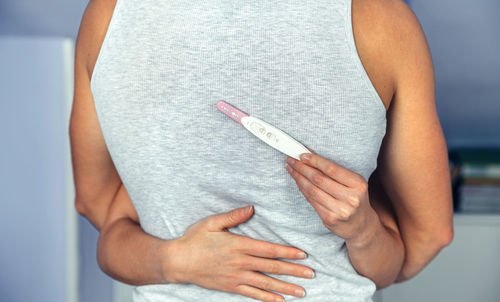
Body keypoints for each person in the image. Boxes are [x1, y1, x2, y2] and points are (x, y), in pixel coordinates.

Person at [69, 0, 454, 301]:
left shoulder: (108, 16)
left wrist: (172, 260)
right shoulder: (385, 22)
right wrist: (363, 235)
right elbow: (429, 235)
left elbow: (95, 204)